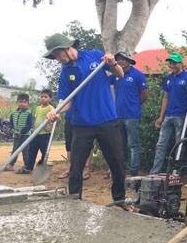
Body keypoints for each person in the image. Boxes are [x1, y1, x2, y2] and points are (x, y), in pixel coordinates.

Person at [43, 33, 129, 208]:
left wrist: (112, 62)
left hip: (107, 121)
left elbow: (119, 74)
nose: (58, 58)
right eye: (55, 56)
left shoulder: (95, 55)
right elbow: (66, 101)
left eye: (58, 54)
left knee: (117, 165)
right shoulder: (65, 72)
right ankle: (75, 203)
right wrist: (55, 111)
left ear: (67, 47)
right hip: (81, 124)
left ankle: (119, 200)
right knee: (75, 169)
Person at [149, 52, 187, 175]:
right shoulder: (168, 78)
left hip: (181, 115)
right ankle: (154, 172)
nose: (172, 65)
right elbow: (166, 97)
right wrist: (161, 116)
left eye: (175, 63)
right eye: (171, 63)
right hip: (168, 116)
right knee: (161, 144)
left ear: (181, 63)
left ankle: (176, 173)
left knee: (179, 145)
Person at [110, 50, 149, 177]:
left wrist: (135, 105)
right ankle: (121, 169)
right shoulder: (115, 75)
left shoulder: (137, 74)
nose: (120, 61)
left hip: (132, 115)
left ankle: (133, 170)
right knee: (120, 145)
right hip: (118, 115)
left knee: (133, 144)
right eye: (118, 59)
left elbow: (144, 94)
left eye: (123, 59)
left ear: (129, 61)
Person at [58, 108, 94, 181]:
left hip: (86, 116)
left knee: (88, 142)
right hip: (70, 116)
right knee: (69, 143)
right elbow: (64, 100)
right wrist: (58, 111)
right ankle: (69, 168)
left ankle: (86, 168)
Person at [24, 89, 55, 172]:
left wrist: (50, 127)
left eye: (45, 97)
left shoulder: (51, 108)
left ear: (50, 99)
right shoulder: (37, 108)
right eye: (41, 97)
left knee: (44, 151)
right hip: (35, 134)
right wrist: (33, 128)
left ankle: (42, 164)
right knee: (32, 151)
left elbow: (54, 120)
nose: (43, 98)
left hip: (45, 134)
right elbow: (35, 118)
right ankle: (29, 167)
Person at [8, 93, 34, 173]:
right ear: (17, 102)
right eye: (20, 102)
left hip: (25, 135)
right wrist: (11, 128)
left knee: (26, 150)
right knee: (15, 150)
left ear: (27, 103)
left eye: (24, 102)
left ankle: (26, 165)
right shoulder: (13, 113)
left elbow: (30, 125)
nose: (22, 104)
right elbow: (11, 123)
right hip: (16, 135)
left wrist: (22, 132)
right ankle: (11, 165)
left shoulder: (29, 113)